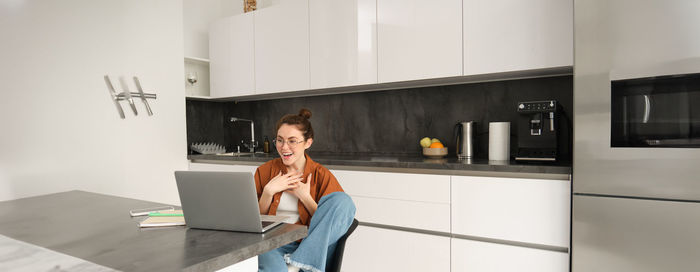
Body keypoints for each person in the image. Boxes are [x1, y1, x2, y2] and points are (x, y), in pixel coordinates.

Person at [255, 108, 356, 272]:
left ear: (308, 142)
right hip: (272, 244)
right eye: (280, 140)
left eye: (292, 141)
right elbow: (253, 221)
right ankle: (298, 266)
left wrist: (305, 197)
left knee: (343, 201)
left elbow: (332, 222)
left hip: (309, 244)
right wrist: (268, 192)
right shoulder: (265, 171)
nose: (284, 147)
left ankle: (297, 263)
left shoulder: (321, 174)